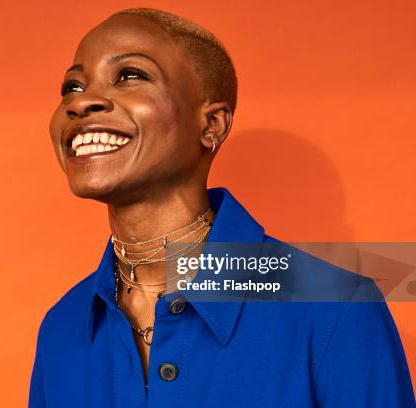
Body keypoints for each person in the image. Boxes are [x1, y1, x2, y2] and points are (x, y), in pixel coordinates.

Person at [29, 7, 414, 407]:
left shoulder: (336, 308)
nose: (82, 102)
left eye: (130, 76)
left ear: (211, 125)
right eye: (72, 87)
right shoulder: (62, 328)